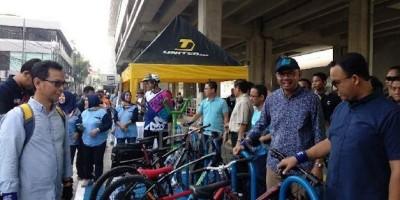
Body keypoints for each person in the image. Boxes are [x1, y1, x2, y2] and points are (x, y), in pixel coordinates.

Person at [278, 53, 400, 200]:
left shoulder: (389, 114)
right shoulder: (341, 108)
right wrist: (298, 158)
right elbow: (330, 141)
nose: (334, 89)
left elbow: (397, 169)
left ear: (355, 79)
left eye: (336, 83)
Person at [233, 57, 325, 190]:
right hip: (275, 166)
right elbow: (261, 124)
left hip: (302, 168)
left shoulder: (311, 100)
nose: (286, 78)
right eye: (282, 74)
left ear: (299, 74)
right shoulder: (272, 99)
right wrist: (244, 143)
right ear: (277, 76)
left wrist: (318, 165)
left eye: (290, 74)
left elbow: (319, 134)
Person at [0, 60, 73, 199]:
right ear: (38, 83)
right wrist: (9, 194)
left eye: (63, 84)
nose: (62, 88)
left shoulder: (60, 115)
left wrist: (67, 182)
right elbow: (8, 159)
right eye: (56, 83)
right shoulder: (19, 116)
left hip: (56, 194)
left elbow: (64, 151)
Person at [185, 81, 229, 154]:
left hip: (217, 134)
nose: (204, 90)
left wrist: (225, 133)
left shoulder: (222, 102)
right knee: (203, 154)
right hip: (205, 132)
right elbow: (197, 114)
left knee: (215, 156)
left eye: (206, 88)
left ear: (213, 90)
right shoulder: (204, 102)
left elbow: (226, 118)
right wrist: (188, 123)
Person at [80, 94, 112, 187]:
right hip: (86, 141)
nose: (85, 102)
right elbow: (79, 122)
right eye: (85, 100)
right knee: (87, 161)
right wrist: (79, 127)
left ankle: (98, 179)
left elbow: (108, 124)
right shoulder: (84, 112)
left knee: (98, 161)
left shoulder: (102, 112)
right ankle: (88, 178)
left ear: (93, 101)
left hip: (99, 141)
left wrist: (98, 130)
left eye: (87, 100)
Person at [59, 90, 84, 179]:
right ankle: (63, 176)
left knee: (73, 158)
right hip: (60, 140)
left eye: (63, 96)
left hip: (73, 139)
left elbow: (81, 123)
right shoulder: (56, 109)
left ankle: (76, 174)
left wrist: (78, 131)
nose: (61, 98)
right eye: (60, 96)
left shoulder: (76, 111)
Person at [141, 74, 173, 146]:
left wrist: (170, 131)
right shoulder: (147, 94)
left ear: (154, 83)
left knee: (162, 152)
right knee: (147, 151)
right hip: (148, 126)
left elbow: (170, 113)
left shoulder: (165, 94)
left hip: (162, 128)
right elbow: (145, 108)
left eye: (148, 83)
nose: (146, 85)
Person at [230, 79, 253, 148]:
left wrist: (239, 141)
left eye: (234, 87)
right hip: (237, 134)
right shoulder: (240, 100)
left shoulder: (243, 102)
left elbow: (243, 123)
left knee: (238, 156)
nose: (233, 89)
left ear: (238, 88)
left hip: (239, 135)